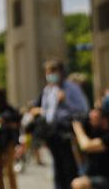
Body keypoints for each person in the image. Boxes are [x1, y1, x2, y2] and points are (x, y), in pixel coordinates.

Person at [36, 59, 89, 189]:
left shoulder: (72, 88)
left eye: (53, 72)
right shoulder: (48, 90)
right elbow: (47, 111)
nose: (50, 76)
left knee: (69, 166)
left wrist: (66, 101)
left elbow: (83, 108)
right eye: (48, 73)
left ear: (60, 72)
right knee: (57, 166)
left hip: (67, 130)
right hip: (52, 131)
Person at [71, 107, 109, 189]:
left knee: (78, 184)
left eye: (94, 118)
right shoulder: (93, 132)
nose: (90, 120)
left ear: (104, 120)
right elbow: (80, 159)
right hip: (94, 176)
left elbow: (86, 146)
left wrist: (77, 128)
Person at [0, 88, 20, 189]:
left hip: (8, 141)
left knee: (9, 170)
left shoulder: (8, 109)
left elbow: (15, 120)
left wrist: (3, 119)